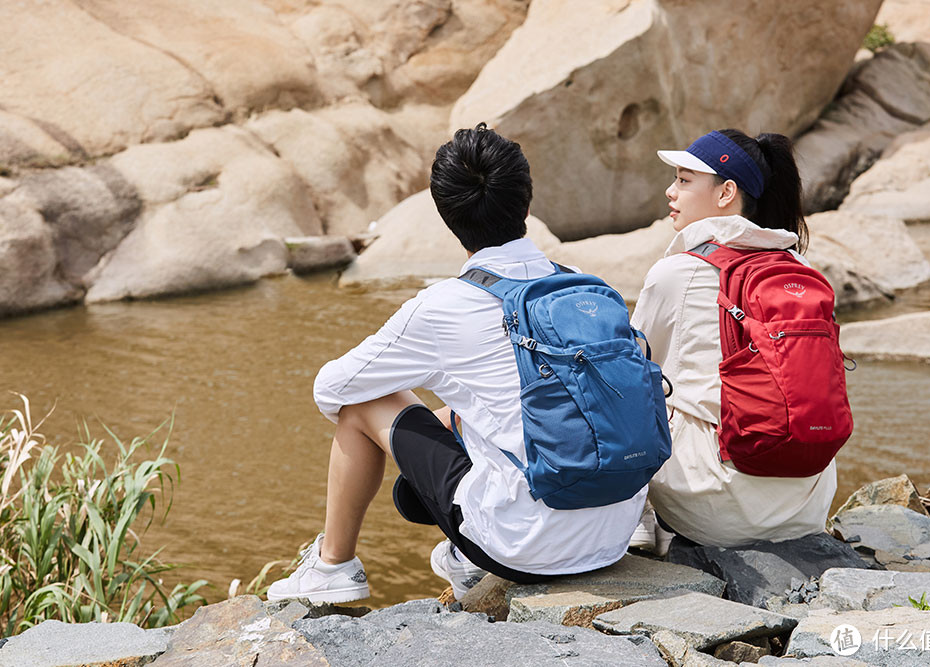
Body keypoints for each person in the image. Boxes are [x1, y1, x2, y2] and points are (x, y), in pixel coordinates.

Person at [267, 123, 646, 604]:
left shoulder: (444, 305)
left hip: (527, 546)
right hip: (615, 532)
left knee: (363, 404)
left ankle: (333, 567)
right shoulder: (587, 290)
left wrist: (438, 421)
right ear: (527, 207)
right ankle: (461, 557)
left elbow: (333, 388)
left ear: (447, 217)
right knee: (496, 412)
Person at [630, 128, 837, 548]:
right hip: (808, 505)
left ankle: (633, 526)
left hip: (719, 510)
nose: (671, 191)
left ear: (726, 193)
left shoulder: (678, 273)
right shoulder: (801, 269)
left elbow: (634, 367)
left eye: (685, 181)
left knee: (621, 384)